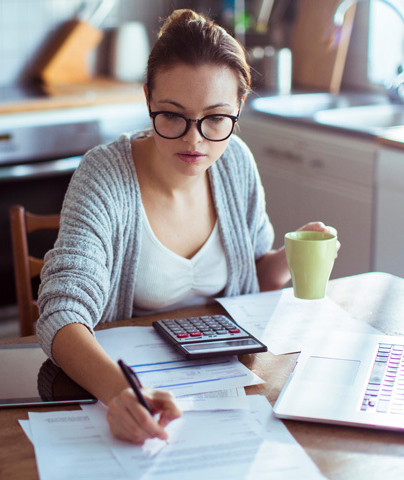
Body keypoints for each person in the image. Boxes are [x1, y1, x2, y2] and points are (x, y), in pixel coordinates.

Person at [35, 9, 338, 444]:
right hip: (130, 387)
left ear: (239, 106)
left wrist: (293, 257)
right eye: (173, 116)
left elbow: (252, 275)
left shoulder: (235, 162)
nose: (194, 141)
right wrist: (123, 393)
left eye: (216, 118)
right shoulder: (104, 175)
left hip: (228, 390)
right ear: (148, 99)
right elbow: (61, 315)